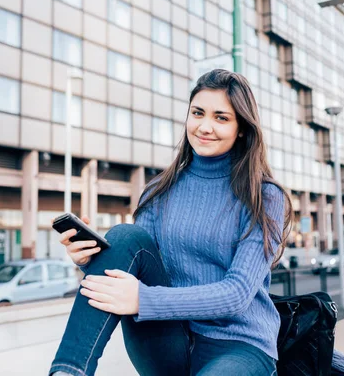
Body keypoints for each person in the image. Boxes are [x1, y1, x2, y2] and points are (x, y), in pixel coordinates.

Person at [50, 69, 293, 376]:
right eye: (198, 113)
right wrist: (90, 260)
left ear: (241, 128)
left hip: (239, 345)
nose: (205, 127)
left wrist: (143, 299)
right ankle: (69, 371)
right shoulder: (159, 191)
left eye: (221, 117)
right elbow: (140, 264)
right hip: (167, 339)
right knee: (126, 237)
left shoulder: (264, 196)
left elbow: (237, 294)